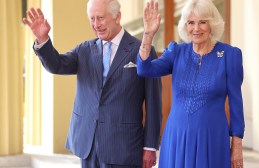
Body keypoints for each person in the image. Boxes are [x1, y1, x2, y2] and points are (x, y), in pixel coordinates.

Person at [22, 0, 162, 167]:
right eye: (92, 19)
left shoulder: (142, 50)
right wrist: (43, 39)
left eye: (101, 18)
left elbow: (154, 103)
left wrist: (150, 146)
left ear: (117, 17)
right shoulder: (84, 49)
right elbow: (57, 64)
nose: (96, 24)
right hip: (87, 144)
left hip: (124, 146)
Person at [137, 0, 245, 167]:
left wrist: (236, 146)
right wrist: (148, 35)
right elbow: (145, 69)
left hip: (212, 139)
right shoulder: (176, 51)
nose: (196, 28)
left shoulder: (229, 56)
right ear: (185, 25)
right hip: (177, 138)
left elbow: (236, 104)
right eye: (191, 23)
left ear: (212, 25)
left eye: (202, 22)